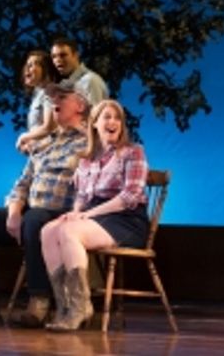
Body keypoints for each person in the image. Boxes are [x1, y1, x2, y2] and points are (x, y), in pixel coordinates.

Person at [0, 81, 91, 328]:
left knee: (35, 219)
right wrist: (13, 211)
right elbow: (22, 183)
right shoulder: (47, 142)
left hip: (64, 216)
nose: (54, 101)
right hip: (31, 212)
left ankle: (39, 302)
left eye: (62, 97)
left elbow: (98, 182)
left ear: (80, 105)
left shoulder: (90, 142)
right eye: (52, 96)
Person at [40, 98, 149, 332]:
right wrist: (74, 213)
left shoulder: (133, 152)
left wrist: (87, 215)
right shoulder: (87, 159)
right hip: (95, 216)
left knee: (70, 232)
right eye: (107, 117)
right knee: (49, 230)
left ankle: (81, 306)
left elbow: (130, 196)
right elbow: (81, 196)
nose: (113, 122)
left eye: (117, 117)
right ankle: (65, 306)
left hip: (125, 218)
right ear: (94, 124)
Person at [15, 49, 60, 153]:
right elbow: (39, 129)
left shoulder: (51, 91)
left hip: (53, 156)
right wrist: (30, 143)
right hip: (40, 154)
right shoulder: (38, 94)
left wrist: (24, 137)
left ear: (46, 69)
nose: (26, 69)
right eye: (27, 65)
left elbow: (50, 127)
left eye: (32, 65)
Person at [50, 37, 108, 106]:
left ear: (76, 55)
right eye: (54, 56)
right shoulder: (65, 85)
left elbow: (95, 115)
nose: (57, 60)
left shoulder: (89, 81)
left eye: (63, 55)